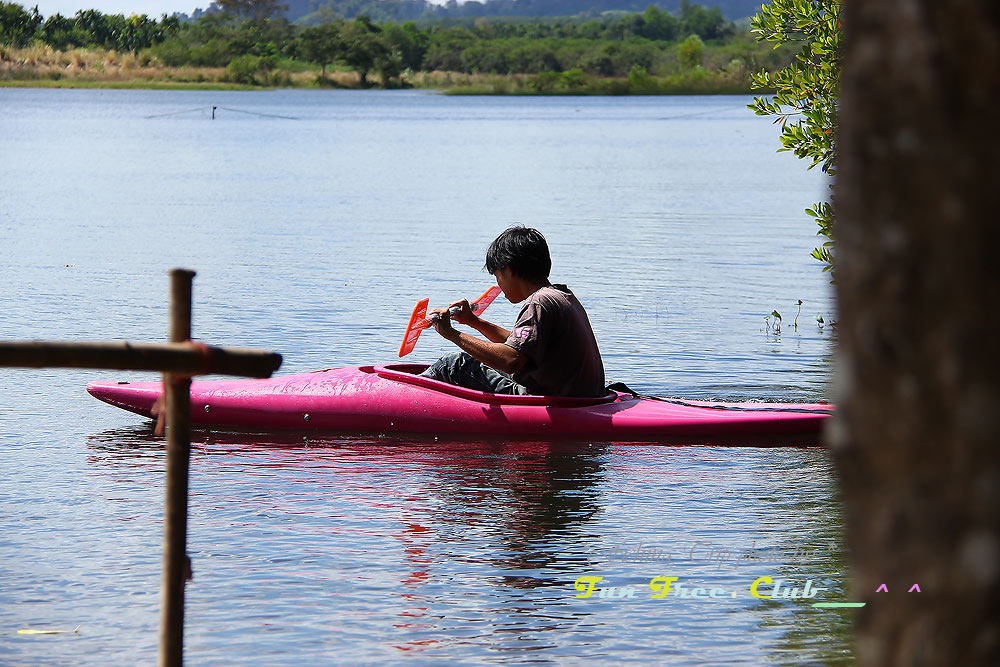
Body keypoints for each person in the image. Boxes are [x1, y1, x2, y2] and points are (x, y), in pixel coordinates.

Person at [420, 226, 605, 397]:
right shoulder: (561, 295)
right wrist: (473, 321)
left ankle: (407, 398)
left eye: (497, 276)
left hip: (550, 399)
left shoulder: (538, 303)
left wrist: (451, 333)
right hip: (578, 394)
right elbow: (520, 347)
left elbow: (511, 360)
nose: (498, 284)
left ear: (508, 270)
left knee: (455, 364)